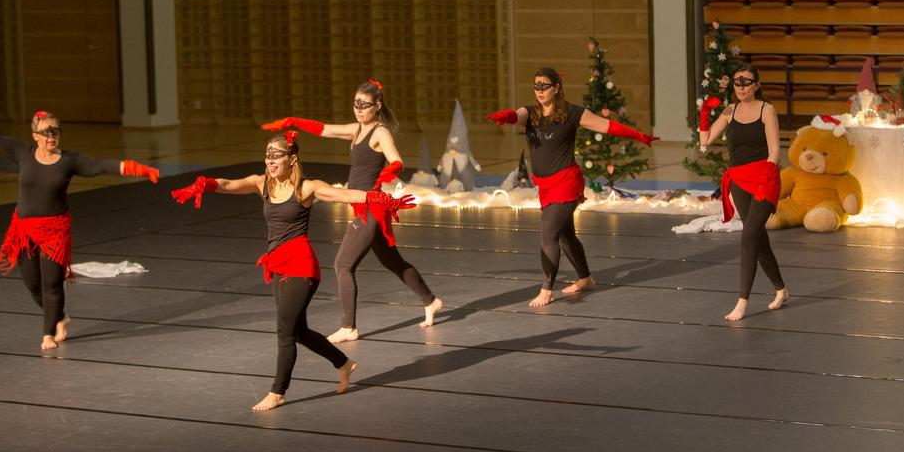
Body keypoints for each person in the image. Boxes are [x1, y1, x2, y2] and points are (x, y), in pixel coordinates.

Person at [171, 131, 415, 411]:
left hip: (301, 266)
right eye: (267, 155)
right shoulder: (262, 183)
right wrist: (204, 184)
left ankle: (278, 392)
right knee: (299, 331)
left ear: (292, 158)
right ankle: (343, 363)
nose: (270, 160)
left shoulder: (306, 188)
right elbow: (228, 184)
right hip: (277, 265)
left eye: (276, 155)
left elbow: (346, 194)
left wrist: (381, 199)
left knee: (284, 331)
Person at [0, 81, 160, 349]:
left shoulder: (68, 161)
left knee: (51, 284)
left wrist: (136, 168)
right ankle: (59, 317)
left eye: (55, 131)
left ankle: (48, 333)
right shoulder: (23, 153)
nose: (51, 135)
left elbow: (99, 165)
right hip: (23, 229)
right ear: (35, 135)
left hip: (55, 231)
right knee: (32, 284)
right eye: (46, 132)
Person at [262, 79, 443, 343]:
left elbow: (397, 160)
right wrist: (294, 121)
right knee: (391, 261)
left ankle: (348, 326)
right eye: (355, 104)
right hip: (360, 204)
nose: (358, 109)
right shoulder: (356, 129)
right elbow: (324, 129)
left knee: (343, 265)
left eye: (364, 105)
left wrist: (387, 174)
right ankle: (430, 300)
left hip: (371, 206)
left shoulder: (380, 132)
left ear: (377, 106)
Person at [485, 68, 659, 306]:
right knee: (565, 235)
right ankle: (585, 279)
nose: (540, 91)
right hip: (545, 186)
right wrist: (506, 116)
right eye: (536, 86)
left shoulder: (572, 113)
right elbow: (517, 115)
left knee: (548, 234)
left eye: (545, 86)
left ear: (556, 87)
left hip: (566, 181)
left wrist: (639, 136)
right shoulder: (531, 113)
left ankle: (547, 290)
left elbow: (606, 125)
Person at [699, 64, 788, 320]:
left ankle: (742, 301)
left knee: (748, 237)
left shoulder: (766, 110)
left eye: (747, 82)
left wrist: (766, 179)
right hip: (739, 179)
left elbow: (774, 151)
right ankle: (781, 289)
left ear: (757, 85)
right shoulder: (730, 110)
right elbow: (705, 141)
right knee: (757, 238)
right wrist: (705, 113)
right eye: (737, 82)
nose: (741, 87)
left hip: (764, 178)